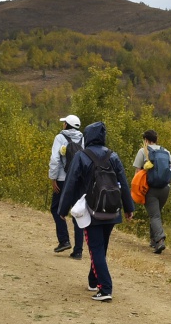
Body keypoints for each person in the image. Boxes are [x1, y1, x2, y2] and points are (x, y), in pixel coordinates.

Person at [57, 121, 134, 302]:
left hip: (92, 210)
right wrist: (129, 208)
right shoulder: (113, 156)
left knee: (96, 248)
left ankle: (105, 288)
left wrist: (63, 209)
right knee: (101, 247)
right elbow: (123, 183)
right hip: (112, 209)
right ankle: (94, 280)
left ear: (88, 137)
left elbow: (70, 184)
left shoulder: (81, 156)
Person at [133, 130, 171, 254]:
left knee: (154, 215)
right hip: (165, 188)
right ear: (156, 139)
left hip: (150, 189)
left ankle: (160, 240)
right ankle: (153, 240)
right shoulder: (166, 152)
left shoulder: (143, 151)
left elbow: (138, 172)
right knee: (156, 213)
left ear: (145, 140)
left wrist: (136, 189)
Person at [48, 115, 85, 259]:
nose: (62, 124)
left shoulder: (60, 138)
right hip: (79, 181)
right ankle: (78, 250)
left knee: (56, 208)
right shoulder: (83, 138)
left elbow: (55, 159)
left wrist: (53, 178)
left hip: (63, 180)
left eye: (64, 123)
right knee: (77, 213)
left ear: (67, 125)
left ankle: (64, 240)